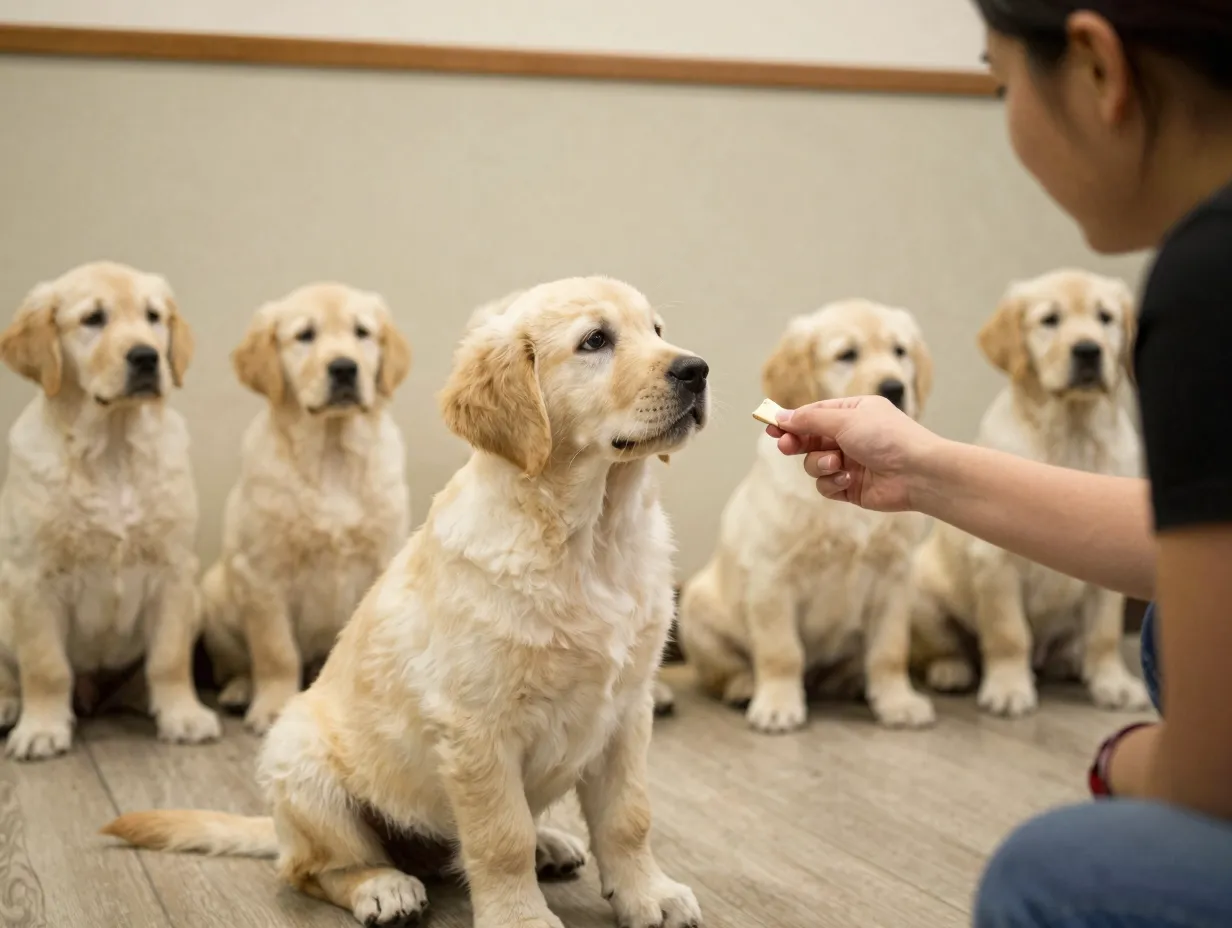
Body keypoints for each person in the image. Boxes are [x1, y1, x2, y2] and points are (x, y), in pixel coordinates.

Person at [767, 2, 1232, 925]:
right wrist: (927, 469)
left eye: (999, 81)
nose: (1005, 111)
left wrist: (1121, 758)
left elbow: (1207, 778)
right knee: (1158, 632)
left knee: (1049, 866)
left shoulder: (1208, 281)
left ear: (1098, 67)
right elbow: (1187, 544)